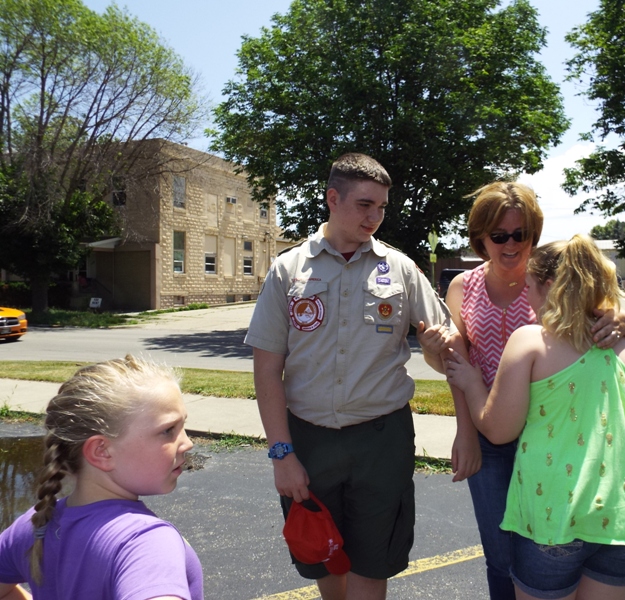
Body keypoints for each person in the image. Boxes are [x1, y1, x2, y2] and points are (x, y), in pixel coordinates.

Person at [245, 152, 457, 600]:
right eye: (364, 204)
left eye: (381, 207)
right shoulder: (289, 269)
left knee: (373, 557)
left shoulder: (400, 269)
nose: (374, 217)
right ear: (332, 199)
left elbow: (446, 356)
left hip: (381, 439)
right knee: (323, 548)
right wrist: (282, 454)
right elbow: (266, 369)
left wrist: (436, 348)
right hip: (309, 438)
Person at [443, 181, 625, 599]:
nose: (511, 244)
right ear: (480, 237)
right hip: (492, 434)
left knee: (545, 549)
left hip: (552, 434)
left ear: (534, 234)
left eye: (521, 234)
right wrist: (465, 432)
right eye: (499, 235)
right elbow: (457, 367)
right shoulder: (463, 288)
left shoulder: (554, 279)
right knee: (501, 556)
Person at [0, 355, 202, 600]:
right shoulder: (145, 542)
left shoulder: (36, 524)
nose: (187, 443)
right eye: (168, 430)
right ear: (102, 452)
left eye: (183, 426)